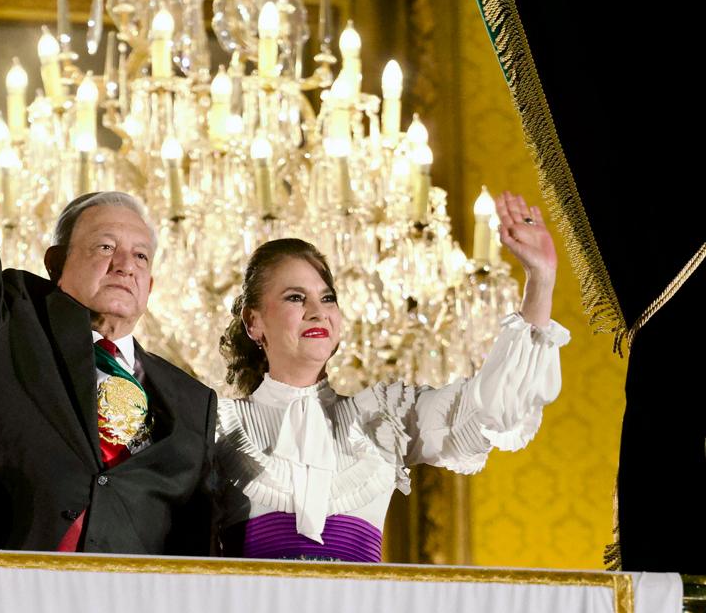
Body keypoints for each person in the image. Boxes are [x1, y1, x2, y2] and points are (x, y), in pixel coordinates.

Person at [0, 0, 216, 554]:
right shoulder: (6, 321)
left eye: (141, 256)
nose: (125, 264)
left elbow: (195, 542)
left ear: (152, 284)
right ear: (55, 263)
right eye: (105, 246)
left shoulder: (192, 401)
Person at [215, 193, 568, 561]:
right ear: (253, 321)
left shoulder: (383, 417)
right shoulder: (218, 426)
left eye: (328, 297)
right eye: (295, 298)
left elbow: (488, 408)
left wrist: (540, 280)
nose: (318, 312)